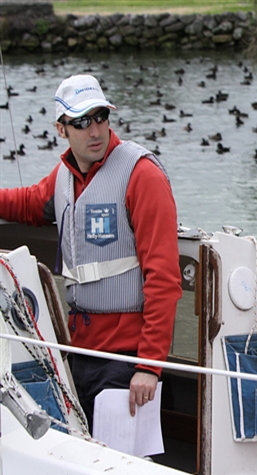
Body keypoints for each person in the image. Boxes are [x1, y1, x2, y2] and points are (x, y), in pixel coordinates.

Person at [0, 74, 182, 432]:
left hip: (127, 362)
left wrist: (149, 367)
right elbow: (30, 204)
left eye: (100, 117)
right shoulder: (64, 177)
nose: (95, 130)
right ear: (61, 129)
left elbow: (164, 277)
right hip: (81, 354)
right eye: (82, 122)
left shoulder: (142, 175)